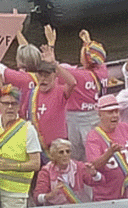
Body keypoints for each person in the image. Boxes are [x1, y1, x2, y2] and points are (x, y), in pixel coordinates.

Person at [46, 25, 108, 160]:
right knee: (94, 147)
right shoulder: (103, 70)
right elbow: (94, 57)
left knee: (76, 153)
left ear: (85, 58)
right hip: (95, 115)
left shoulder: (79, 76)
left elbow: (53, 67)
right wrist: (87, 41)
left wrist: (51, 45)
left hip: (76, 120)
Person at [0, 86, 42, 208]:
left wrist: (10, 166)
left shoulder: (28, 129)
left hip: (15, 194)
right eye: (6, 103)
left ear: (19, 106)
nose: (10, 107)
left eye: (13, 104)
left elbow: (36, 163)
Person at [85, 95, 128, 201]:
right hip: (106, 196)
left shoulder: (125, 128)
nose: (115, 116)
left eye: (116, 112)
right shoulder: (93, 137)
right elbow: (95, 166)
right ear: (100, 114)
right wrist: (110, 152)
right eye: (110, 112)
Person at [34, 139, 101, 206]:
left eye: (68, 151)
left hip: (77, 207)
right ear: (53, 155)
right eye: (61, 152)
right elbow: (37, 198)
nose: (65, 154)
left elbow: (98, 183)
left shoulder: (78, 166)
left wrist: (94, 174)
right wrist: (50, 195)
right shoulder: (46, 171)